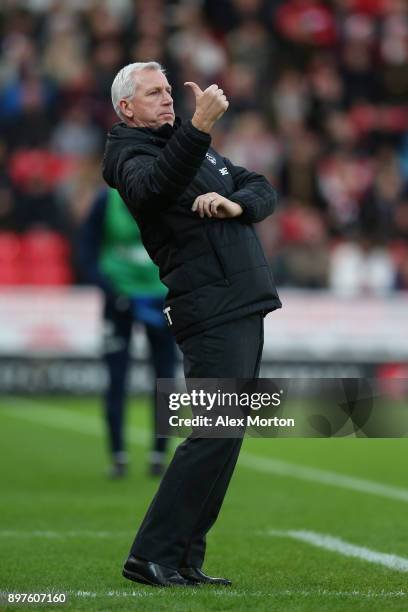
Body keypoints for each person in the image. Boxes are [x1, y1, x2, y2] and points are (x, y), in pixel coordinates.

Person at [102, 61, 281, 587]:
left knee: (226, 434)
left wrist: (233, 204)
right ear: (126, 108)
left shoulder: (192, 147)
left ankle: (182, 558)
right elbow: (155, 190)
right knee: (214, 432)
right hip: (209, 305)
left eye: (167, 91)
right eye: (153, 93)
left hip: (240, 300)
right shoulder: (126, 154)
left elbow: (261, 187)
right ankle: (151, 555)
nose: (167, 99)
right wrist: (197, 127)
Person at [79, 186, 176, 478]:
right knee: (116, 377)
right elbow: (85, 249)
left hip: (160, 298)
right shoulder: (104, 200)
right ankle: (118, 456)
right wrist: (110, 290)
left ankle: (159, 454)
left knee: (165, 378)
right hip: (118, 300)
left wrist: (177, 287)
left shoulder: (167, 195)